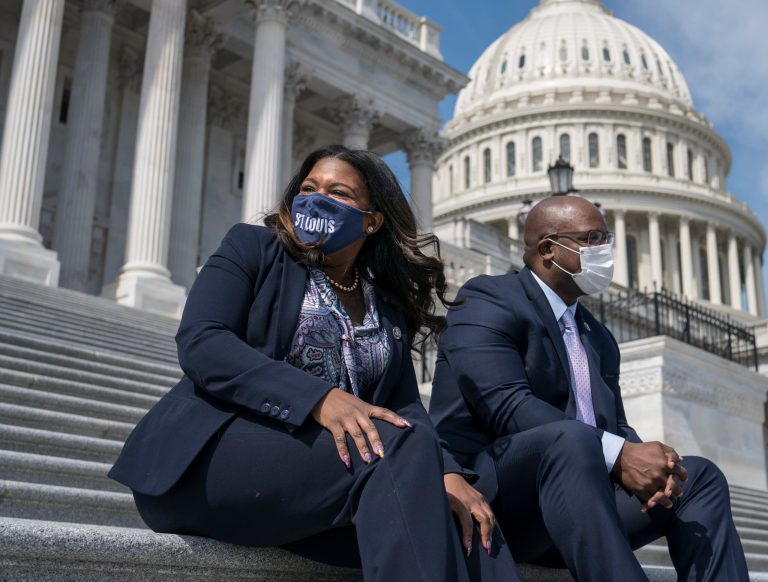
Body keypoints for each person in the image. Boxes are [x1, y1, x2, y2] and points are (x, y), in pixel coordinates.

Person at [108, 145, 519, 582]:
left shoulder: (386, 304)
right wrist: (319, 399)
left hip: (316, 481)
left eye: (337, 192)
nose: (316, 199)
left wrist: (448, 472)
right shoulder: (254, 248)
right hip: (212, 463)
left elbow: (405, 408)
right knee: (398, 450)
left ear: (372, 220)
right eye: (308, 187)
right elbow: (203, 342)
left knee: (467, 513)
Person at [429, 194, 749, 581]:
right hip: (501, 501)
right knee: (570, 439)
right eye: (593, 238)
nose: (605, 251)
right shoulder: (489, 299)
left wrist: (649, 461)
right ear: (549, 249)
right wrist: (620, 455)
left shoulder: (597, 336)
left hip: (582, 501)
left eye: (607, 239)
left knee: (697, 477)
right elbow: (507, 406)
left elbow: (614, 424)